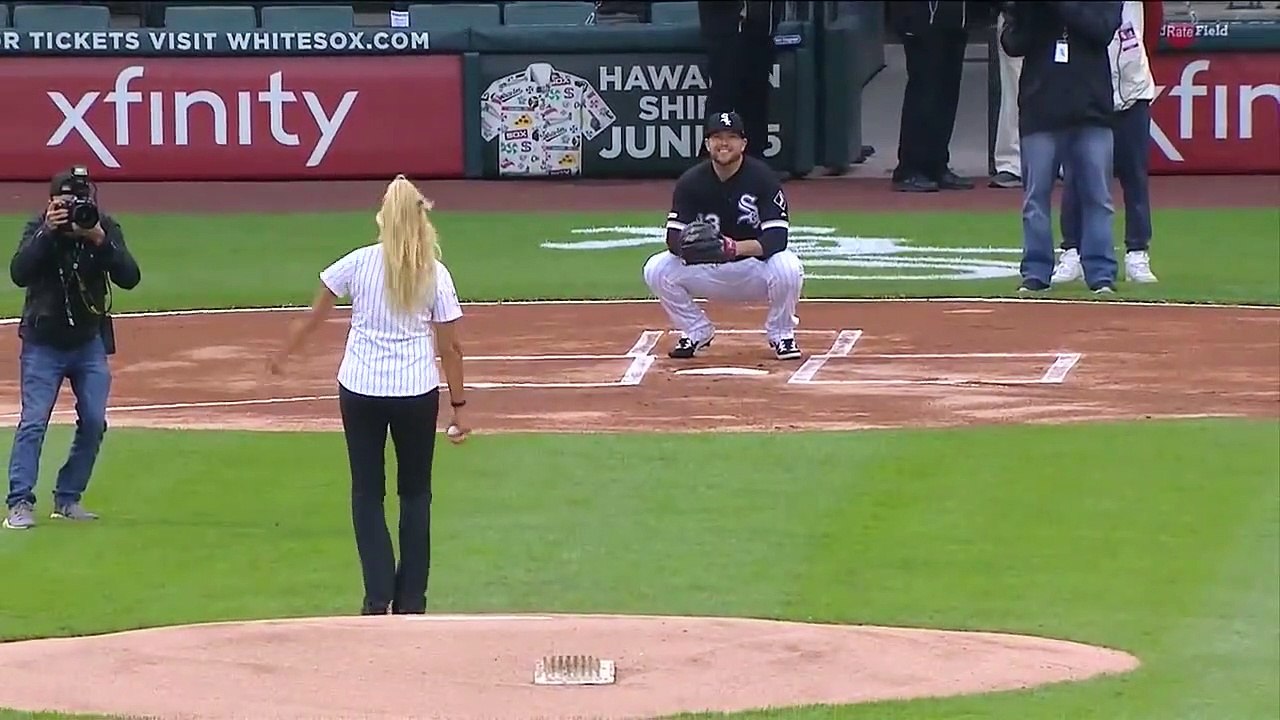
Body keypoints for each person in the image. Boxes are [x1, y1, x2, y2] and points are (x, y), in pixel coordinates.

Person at [266, 175, 470, 616]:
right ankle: (411, 599)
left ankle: (377, 596)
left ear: (383, 218)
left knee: (367, 493)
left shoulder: (358, 263)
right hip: (415, 392)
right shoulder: (435, 274)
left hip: (360, 389)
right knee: (415, 495)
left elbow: (314, 316)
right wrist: (459, 407)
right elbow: (450, 347)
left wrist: (285, 353)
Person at [4, 166, 141, 531]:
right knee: (34, 422)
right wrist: (47, 233)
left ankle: (68, 498)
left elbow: (130, 277)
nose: (73, 208)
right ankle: (19, 502)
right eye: (64, 202)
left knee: (94, 422)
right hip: (43, 343)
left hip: (87, 341)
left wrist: (99, 239)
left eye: (79, 200)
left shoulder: (102, 227)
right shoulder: (39, 229)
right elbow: (19, 272)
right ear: (51, 202)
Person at [642, 111, 805, 360]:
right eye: (717, 137)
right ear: (707, 144)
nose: (724, 143)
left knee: (788, 267)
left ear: (743, 144)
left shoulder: (763, 178)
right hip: (707, 268)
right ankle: (696, 330)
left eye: (731, 137)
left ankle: (782, 334)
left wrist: (732, 248)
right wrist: (691, 247)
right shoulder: (691, 182)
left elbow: (776, 238)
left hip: (753, 269)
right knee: (657, 268)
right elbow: (673, 237)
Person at [1001, 1, 1123, 294]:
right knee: (1035, 198)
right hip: (1040, 108)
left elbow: (1103, 30)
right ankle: (1036, 272)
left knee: (1097, 197)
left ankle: (1100, 273)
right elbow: (1012, 43)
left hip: (1091, 109)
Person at [1054, 0, 1159, 285]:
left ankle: (1137, 253)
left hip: (1133, 93)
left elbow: (1153, 26)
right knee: (1076, 178)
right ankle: (1072, 251)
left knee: (1134, 177)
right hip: (1089, 98)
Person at [888, 1, 978, 192]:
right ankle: (909, 168)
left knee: (947, 92)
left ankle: (936, 164)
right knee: (924, 90)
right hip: (920, 16)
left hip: (955, 16)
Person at [698, 1, 783, 166]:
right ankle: (712, 162)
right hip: (725, 30)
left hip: (761, 30)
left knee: (757, 96)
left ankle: (755, 160)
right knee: (723, 95)